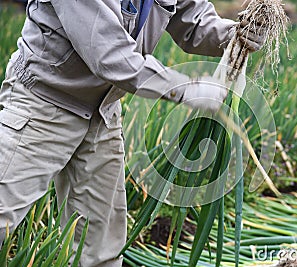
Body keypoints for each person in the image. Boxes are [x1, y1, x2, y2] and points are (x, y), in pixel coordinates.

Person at [0, 0, 265, 265]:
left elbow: (193, 20)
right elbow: (109, 54)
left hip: (103, 111)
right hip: (43, 103)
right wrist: (184, 88)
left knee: (100, 246)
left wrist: (234, 35)